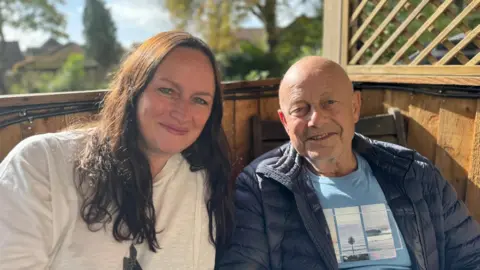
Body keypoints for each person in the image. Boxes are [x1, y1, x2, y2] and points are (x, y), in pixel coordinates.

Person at [217, 56, 480, 270]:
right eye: (300, 109)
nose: (316, 119)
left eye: (329, 102)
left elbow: (471, 258)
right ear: (285, 122)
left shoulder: (414, 173)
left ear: (355, 107)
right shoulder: (260, 187)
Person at [0, 31, 234, 270]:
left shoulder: (201, 182)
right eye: (167, 90)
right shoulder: (40, 164)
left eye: (200, 100)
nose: (182, 112)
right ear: (133, 90)